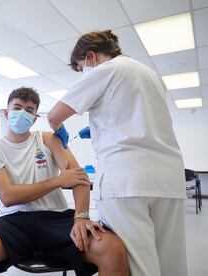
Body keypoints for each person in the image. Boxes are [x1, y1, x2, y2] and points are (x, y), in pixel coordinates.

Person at [47, 30, 187, 276]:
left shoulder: (105, 69)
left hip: (126, 180)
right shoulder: (150, 74)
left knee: (138, 265)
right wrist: (102, 123)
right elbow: (137, 116)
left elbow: (53, 116)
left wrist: (60, 130)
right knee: (170, 262)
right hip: (168, 178)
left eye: (81, 68)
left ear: (90, 57)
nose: (84, 74)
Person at [0, 87, 129, 276]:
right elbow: (7, 196)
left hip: (55, 218)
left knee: (111, 247)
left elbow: (79, 178)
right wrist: (57, 181)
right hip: (14, 221)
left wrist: (81, 217)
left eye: (29, 110)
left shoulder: (47, 139)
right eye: (17, 108)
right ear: (7, 114)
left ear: (34, 119)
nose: (22, 113)